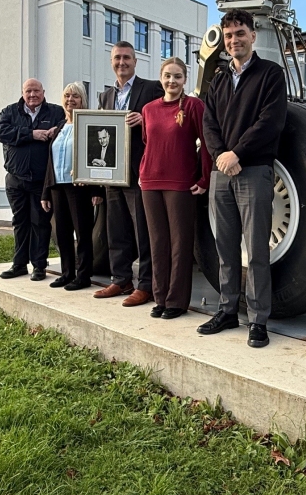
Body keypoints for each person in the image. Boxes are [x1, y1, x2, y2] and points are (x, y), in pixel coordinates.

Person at [199, 9, 287, 348]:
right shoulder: (219, 80)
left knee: (257, 251)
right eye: (228, 35)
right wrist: (221, 155)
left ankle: (258, 320)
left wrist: (237, 153)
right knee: (225, 248)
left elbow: (270, 122)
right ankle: (227, 311)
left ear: (253, 35)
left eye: (240, 33)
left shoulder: (270, 74)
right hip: (221, 173)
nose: (234, 40)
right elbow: (208, 124)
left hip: (253, 170)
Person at [140, 57, 212, 319]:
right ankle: (160, 298)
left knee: (180, 244)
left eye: (177, 76)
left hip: (180, 183)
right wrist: (142, 173)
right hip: (150, 182)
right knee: (157, 243)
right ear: (161, 78)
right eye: (168, 76)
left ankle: (176, 302)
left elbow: (207, 144)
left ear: (185, 79)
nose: (172, 81)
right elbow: (148, 143)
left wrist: (204, 179)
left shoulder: (194, 106)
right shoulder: (148, 109)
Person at [93, 41, 164, 306]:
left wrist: (146, 120)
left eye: (126, 58)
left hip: (140, 170)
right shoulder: (105, 96)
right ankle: (121, 279)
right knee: (116, 229)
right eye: (117, 58)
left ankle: (146, 284)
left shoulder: (152, 88)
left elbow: (167, 116)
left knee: (143, 230)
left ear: (135, 61)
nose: (121, 62)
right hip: (113, 173)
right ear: (111, 62)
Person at [0, 78, 65, 281]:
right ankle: (19, 265)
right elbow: (0, 132)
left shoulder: (55, 112)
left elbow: (68, 125)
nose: (32, 95)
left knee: (40, 223)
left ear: (43, 92)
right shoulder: (9, 112)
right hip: (15, 179)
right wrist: (31, 134)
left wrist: (57, 130)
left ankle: (39, 266)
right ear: (22, 93)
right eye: (28, 91)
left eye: (36, 91)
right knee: (20, 222)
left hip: (41, 181)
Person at [41, 83, 104, 291]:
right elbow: (50, 162)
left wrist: (96, 189)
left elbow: (96, 158)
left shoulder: (88, 125)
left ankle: (83, 275)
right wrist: (46, 192)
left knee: (82, 233)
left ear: (82, 100)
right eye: (67, 96)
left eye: (75, 96)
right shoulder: (59, 127)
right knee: (62, 233)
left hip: (80, 187)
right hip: (57, 187)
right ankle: (67, 273)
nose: (71, 100)